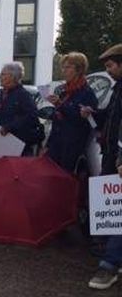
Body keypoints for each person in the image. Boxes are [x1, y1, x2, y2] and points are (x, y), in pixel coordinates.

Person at [85, 44, 122, 290]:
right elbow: (110, 117)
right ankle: (110, 252)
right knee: (112, 208)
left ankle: (109, 264)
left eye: (110, 66)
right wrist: (93, 114)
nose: (108, 71)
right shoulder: (118, 88)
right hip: (111, 154)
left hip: (118, 156)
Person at [44, 52, 98, 173]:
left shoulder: (86, 93)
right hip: (56, 143)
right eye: (63, 67)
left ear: (79, 70)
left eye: (67, 67)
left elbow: (81, 119)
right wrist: (48, 144)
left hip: (71, 146)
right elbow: (58, 119)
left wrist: (60, 105)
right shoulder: (65, 91)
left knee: (65, 179)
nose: (63, 71)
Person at [0, 62, 43, 156]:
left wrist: (9, 127)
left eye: (3, 74)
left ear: (12, 77)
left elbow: (32, 117)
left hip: (17, 144)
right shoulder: (2, 93)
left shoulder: (23, 95)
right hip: (2, 141)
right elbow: (0, 117)